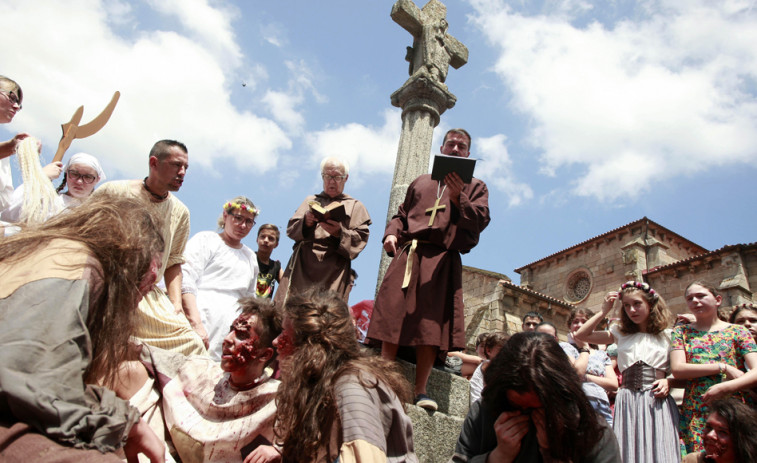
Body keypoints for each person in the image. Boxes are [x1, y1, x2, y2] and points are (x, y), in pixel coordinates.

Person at [0, 192, 166, 462]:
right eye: (145, 286)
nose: (137, 302)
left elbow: (44, 379)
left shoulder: (50, 252)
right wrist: (117, 420)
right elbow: (27, 391)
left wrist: (124, 419)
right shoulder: (71, 263)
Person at [368, 128, 490, 411]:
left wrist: (460, 197)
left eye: (462, 146)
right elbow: (401, 214)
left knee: (430, 325)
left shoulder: (476, 186)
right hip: (409, 253)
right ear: (442, 147)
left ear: (469, 153)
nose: (456, 149)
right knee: (392, 313)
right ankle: (383, 381)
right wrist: (391, 234)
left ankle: (420, 390)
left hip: (441, 259)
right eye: (451, 144)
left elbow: (480, 220)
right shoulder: (421, 181)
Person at [117, 298, 281, 463]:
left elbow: (305, 433)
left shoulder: (277, 398)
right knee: (125, 371)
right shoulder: (200, 370)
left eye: (242, 335)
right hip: (170, 456)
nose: (228, 339)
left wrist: (279, 449)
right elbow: (146, 352)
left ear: (264, 354)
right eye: (231, 330)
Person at [271, 290, 417, 463]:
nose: (275, 341)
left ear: (309, 347)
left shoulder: (353, 388)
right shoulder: (320, 386)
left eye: (283, 333)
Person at [93, 139, 205, 356]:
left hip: (148, 296)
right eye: (176, 165)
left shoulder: (181, 212)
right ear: (154, 163)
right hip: (105, 285)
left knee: (193, 346)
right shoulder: (113, 192)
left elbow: (173, 261)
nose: (182, 172)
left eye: (186, 168)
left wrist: (176, 307)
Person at [450, 332, 621, 463]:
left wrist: (554, 455)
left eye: (538, 409)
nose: (529, 417)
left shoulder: (591, 428)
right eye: (517, 407)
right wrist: (497, 457)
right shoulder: (484, 411)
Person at [573, 281, 681, 462]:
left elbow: (679, 370)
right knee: (629, 447)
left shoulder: (668, 335)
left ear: (651, 304)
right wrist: (604, 311)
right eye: (627, 306)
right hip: (628, 399)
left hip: (656, 398)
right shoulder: (619, 333)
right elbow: (581, 335)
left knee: (659, 446)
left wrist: (669, 381)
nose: (632, 310)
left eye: (637, 304)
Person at [671, 281, 757, 454]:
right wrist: (722, 367)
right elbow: (678, 368)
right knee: (703, 455)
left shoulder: (738, 331)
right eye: (690, 298)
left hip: (735, 407)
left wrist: (725, 387)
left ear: (718, 300)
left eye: (701, 296)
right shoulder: (681, 332)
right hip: (697, 408)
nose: (695, 301)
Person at [274, 157, 371, 304]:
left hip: (334, 270)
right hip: (303, 265)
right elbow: (291, 231)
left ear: (346, 178)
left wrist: (339, 233)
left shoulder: (356, 206)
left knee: (327, 316)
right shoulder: (310, 201)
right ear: (322, 177)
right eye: (328, 176)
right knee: (291, 313)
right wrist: (305, 222)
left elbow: (360, 240)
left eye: (337, 177)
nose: (332, 181)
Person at [181, 197, 260, 360]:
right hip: (199, 325)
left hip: (228, 336)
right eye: (238, 218)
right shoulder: (207, 240)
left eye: (249, 222)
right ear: (225, 215)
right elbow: (185, 279)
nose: (243, 225)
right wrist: (195, 323)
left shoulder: (250, 257)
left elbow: (250, 300)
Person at [1, 152, 105, 225]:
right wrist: (40, 177)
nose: (79, 181)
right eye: (74, 174)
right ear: (66, 174)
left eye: (87, 177)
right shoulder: (49, 202)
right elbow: (9, 215)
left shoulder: (98, 215)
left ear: (97, 179)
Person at [560, 308, 617, 426]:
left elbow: (613, 384)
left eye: (585, 322)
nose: (580, 325)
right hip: (579, 405)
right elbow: (577, 373)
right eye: (575, 322)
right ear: (569, 326)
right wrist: (584, 349)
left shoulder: (601, 354)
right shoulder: (565, 347)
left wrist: (587, 378)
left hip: (603, 407)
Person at [682, 398, 757, 463]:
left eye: (722, 432)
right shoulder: (694, 461)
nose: (710, 435)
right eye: (709, 427)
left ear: (741, 440)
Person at [469, 332, 508, 404]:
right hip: (481, 410)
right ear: (488, 350)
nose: (505, 354)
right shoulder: (487, 365)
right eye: (501, 350)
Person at [255, 224, 283, 299]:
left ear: (276, 244)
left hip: (265, 309)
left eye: (271, 238)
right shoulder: (249, 258)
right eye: (263, 237)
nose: (266, 240)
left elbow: (287, 286)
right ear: (257, 240)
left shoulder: (276, 266)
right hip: (245, 306)